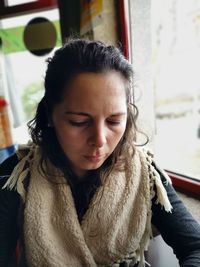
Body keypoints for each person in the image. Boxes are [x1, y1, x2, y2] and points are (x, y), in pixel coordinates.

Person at [0, 38, 200, 267]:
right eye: (78, 121)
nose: (99, 140)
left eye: (114, 121)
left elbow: (195, 246)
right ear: (49, 115)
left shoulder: (144, 172)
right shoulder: (17, 176)